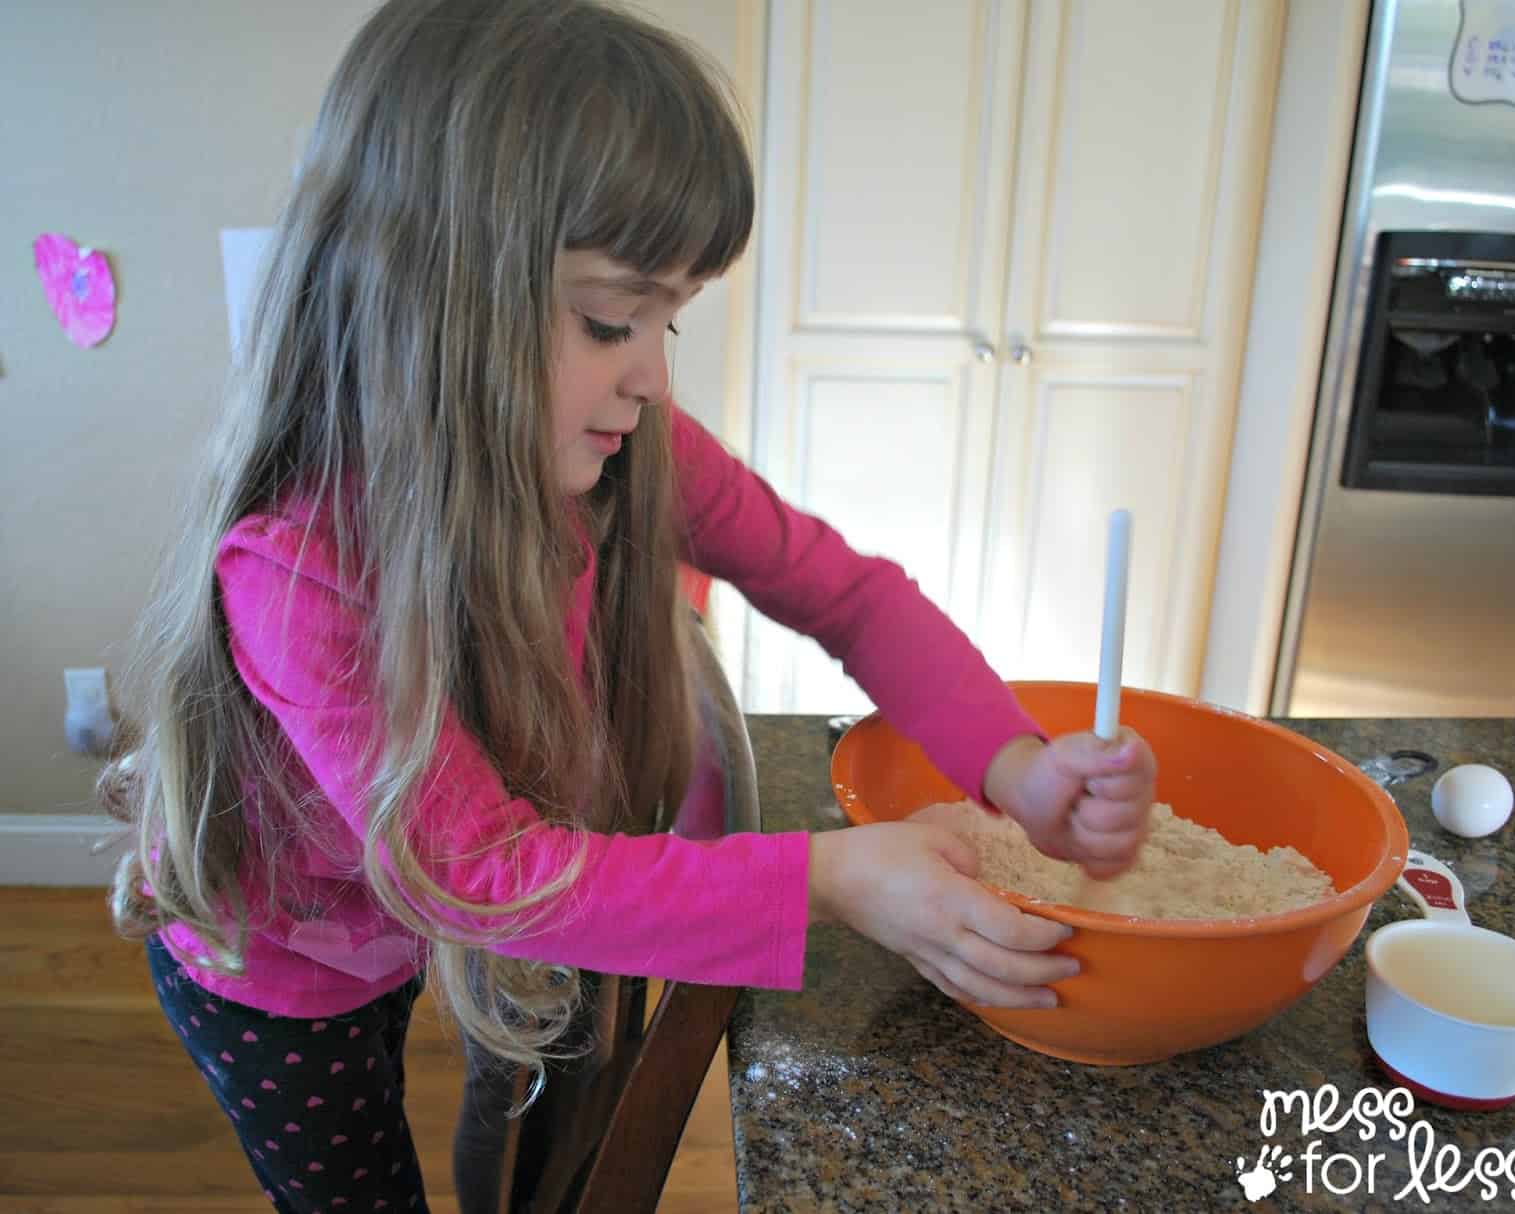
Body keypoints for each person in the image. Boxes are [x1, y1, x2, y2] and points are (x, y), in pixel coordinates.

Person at [101, 1, 1157, 1211]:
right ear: (433, 300)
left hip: (398, 916)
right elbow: (476, 874)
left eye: (669, 318)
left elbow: (851, 595)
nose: (652, 372)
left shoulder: (639, 448)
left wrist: (1015, 765)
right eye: (612, 320)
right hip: (275, 963)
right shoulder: (299, 573)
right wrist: (824, 874)